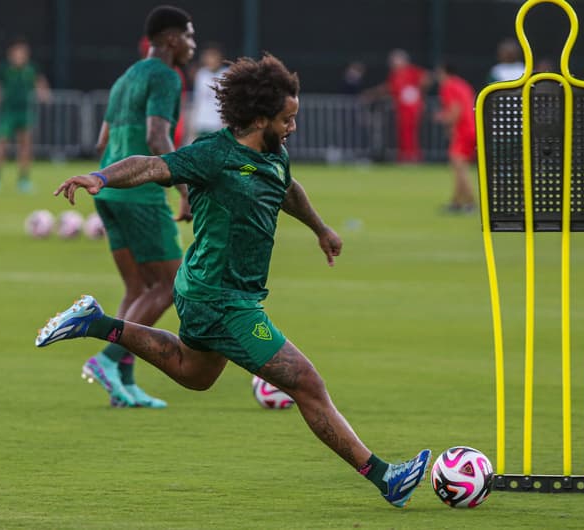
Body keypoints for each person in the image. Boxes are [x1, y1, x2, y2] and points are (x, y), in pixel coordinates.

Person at [36, 53, 431, 508]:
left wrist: (320, 229)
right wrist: (99, 177)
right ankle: (387, 477)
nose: (293, 127)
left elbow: (286, 187)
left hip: (213, 290)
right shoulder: (214, 155)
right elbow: (150, 165)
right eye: (287, 119)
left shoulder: (273, 153)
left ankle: (96, 322)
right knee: (307, 384)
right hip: (220, 300)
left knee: (194, 374)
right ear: (259, 118)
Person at [83, 5, 195, 408]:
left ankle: (122, 382)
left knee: (137, 287)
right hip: (139, 194)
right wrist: (185, 188)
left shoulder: (125, 78)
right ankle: (107, 359)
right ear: (170, 40)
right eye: (189, 36)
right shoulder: (166, 76)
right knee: (171, 284)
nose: (193, 45)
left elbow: (101, 142)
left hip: (108, 193)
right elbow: (157, 137)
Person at [0, 37, 50, 194]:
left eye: (23, 53)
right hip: (8, 113)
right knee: (1, 145)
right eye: (18, 53)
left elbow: (41, 83)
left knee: (26, 147)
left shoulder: (31, 68)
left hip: (25, 113)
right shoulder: (3, 68)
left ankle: (24, 180)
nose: (20, 56)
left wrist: (43, 92)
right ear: (11, 54)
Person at [364, 50, 429, 162]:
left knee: (410, 133)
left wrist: (420, 93)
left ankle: (411, 157)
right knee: (403, 133)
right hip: (402, 109)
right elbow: (389, 88)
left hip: (412, 108)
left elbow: (426, 78)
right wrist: (372, 94)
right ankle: (405, 156)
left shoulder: (412, 71)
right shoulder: (394, 75)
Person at [434, 62, 476, 213]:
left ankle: (470, 202)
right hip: (472, 127)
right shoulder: (462, 84)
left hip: (463, 130)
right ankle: (457, 202)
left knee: (459, 167)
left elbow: (456, 110)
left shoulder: (448, 86)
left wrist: (443, 118)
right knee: (459, 166)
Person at [189, 43, 227, 138]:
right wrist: (193, 124)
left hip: (217, 125)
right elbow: (198, 100)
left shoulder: (226, 74)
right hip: (201, 123)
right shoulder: (201, 74)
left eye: (213, 56)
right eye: (208, 57)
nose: (210, 60)